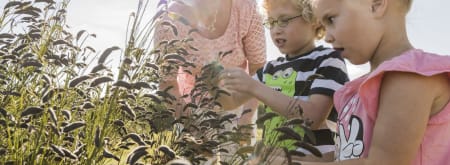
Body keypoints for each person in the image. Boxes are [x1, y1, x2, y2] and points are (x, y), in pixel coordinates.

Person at [287, 0, 450, 164]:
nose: (327, 37)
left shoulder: (410, 78)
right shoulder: (357, 91)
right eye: (323, 26)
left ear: (377, 4)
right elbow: (348, 157)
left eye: (331, 19)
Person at [217, 0, 349, 162]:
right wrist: (212, 81)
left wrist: (256, 88)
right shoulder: (269, 69)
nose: (276, 30)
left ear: (314, 19)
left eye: (284, 20)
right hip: (275, 157)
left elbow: (312, 118)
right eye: (271, 23)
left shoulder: (328, 60)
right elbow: (231, 102)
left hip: (312, 159)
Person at [153, 0, 266, 162]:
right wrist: (191, 126)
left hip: (238, 101)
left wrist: (247, 118)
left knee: (237, 159)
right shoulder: (169, 19)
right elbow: (167, 84)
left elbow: (258, 69)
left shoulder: (246, 8)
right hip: (189, 106)